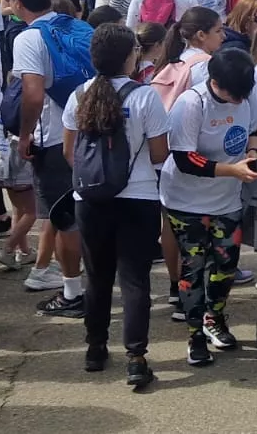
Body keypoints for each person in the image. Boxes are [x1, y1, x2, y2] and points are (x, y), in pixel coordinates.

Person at [63, 23, 168, 389]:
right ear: (129, 56)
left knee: (97, 276)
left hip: (90, 198)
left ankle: (95, 348)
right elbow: (159, 153)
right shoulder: (144, 97)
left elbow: (69, 152)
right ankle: (136, 357)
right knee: (135, 279)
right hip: (137, 197)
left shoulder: (79, 95)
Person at [161, 48, 257, 367]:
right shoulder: (192, 104)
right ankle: (195, 336)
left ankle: (214, 318)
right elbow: (184, 158)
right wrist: (232, 170)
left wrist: (252, 150)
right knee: (194, 264)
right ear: (215, 82)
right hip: (186, 200)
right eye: (232, 94)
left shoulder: (247, 94)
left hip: (227, 198)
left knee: (226, 264)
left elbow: (254, 130)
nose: (238, 100)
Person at [6, 0, 87, 319]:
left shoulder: (28, 37)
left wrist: (24, 136)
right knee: (88, 212)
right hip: (93, 133)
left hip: (55, 139)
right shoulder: (79, 26)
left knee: (63, 216)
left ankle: (73, 292)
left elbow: (34, 94)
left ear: (17, 2)